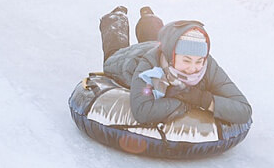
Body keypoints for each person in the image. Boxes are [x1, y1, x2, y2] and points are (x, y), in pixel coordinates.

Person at [99, 8, 251, 126]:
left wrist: (202, 100)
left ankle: (149, 19)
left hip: (159, 45)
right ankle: (117, 17)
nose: (193, 68)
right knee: (113, 54)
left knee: (158, 37)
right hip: (131, 58)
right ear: (172, 56)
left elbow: (244, 110)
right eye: (186, 60)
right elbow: (142, 111)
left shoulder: (208, 66)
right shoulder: (149, 66)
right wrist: (184, 101)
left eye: (199, 61)